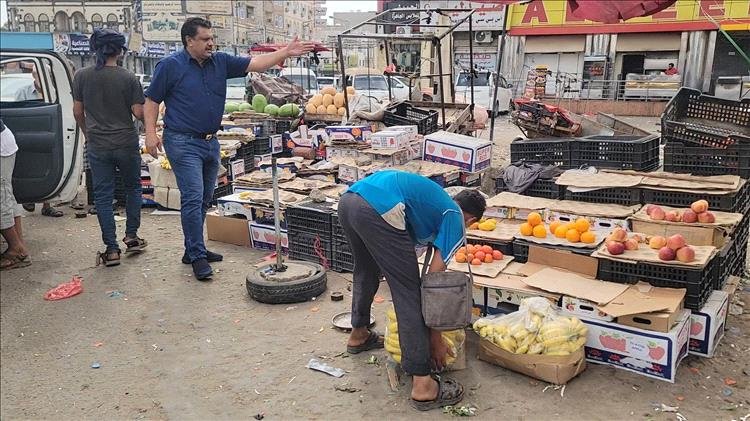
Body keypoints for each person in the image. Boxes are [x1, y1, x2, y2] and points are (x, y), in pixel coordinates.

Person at [143, 17, 314, 280]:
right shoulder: (170, 66)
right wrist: (150, 134)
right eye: (205, 39)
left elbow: (256, 63)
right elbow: (152, 101)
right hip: (182, 141)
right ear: (189, 41)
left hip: (211, 141)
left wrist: (285, 52)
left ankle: (192, 249)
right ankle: (197, 256)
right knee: (192, 197)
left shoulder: (220, 62)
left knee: (204, 198)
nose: (211, 43)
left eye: (212, 38)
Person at [337, 170, 486, 411]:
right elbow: (434, 283)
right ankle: (423, 385)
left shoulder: (437, 203)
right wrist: (435, 339)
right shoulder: (455, 216)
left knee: (366, 270)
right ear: (471, 220)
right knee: (408, 291)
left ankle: (359, 334)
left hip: (349, 201)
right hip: (378, 206)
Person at [72, 28, 147, 267]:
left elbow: (77, 111)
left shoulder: (81, 76)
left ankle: (112, 249)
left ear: (95, 49)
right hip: (126, 142)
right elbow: (138, 113)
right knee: (133, 188)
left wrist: (88, 133)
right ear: (120, 50)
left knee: (103, 196)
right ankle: (132, 236)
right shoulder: (129, 78)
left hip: (98, 145)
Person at [0, 119, 31, 270]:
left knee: (3, 200)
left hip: (1, 148)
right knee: (7, 197)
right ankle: (19, 246)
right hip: (5, 144)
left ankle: (17, 249)